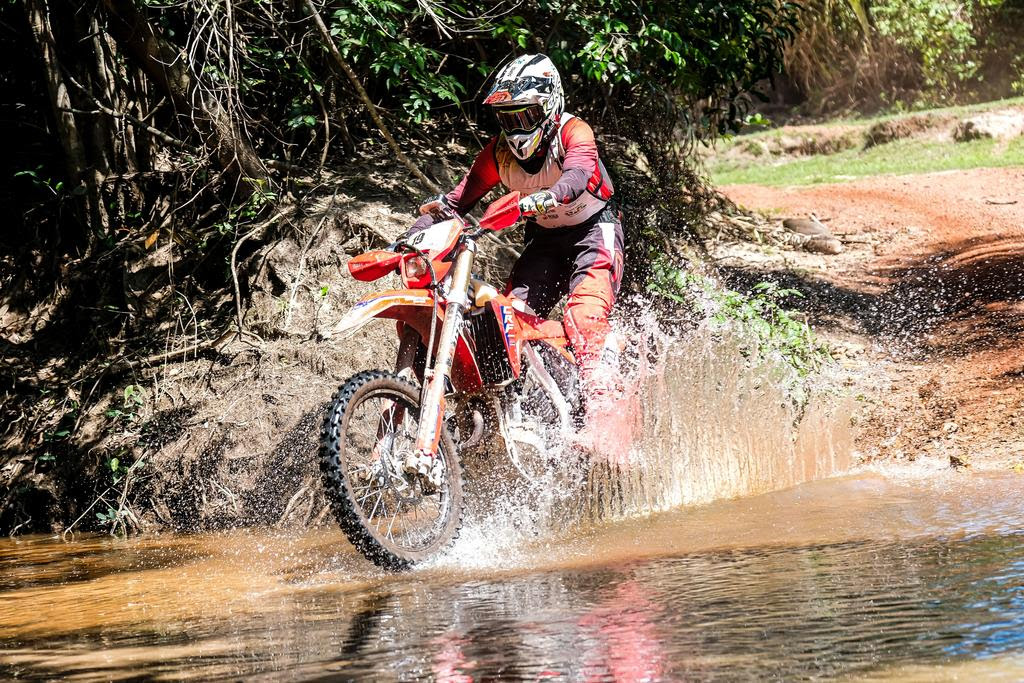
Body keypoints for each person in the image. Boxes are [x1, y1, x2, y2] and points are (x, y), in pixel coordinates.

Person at [409, 54, 625, 414]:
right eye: (507, 118)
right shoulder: (498, 154)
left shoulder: (574, 132)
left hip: (594, 231)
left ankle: (603, 411)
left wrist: (547, 196)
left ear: (549, 108)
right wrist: (410, 238)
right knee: (508, 319)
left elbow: (578, 174)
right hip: (545, 242)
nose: (516, 127)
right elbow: (456, 202)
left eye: (524, 115)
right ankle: (531, 407)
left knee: (585, 315)